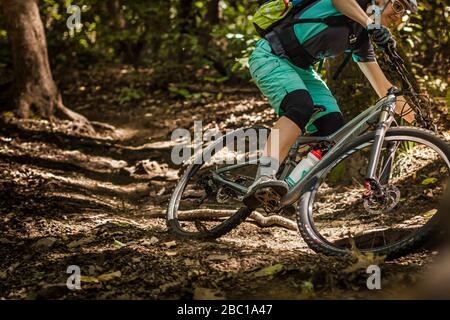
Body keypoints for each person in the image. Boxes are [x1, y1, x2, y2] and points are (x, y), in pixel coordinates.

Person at [243, 0, 418, 209]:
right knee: (300, 106)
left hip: (302, 70)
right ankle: (264, 175)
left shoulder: (360, 37)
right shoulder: (350, 4)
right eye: (397, 6)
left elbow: (383, 89)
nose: (399, 15)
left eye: (404, 12)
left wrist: (421, 124)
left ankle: (286, 188)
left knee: (333, 128)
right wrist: (371, 23)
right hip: (270, 56)